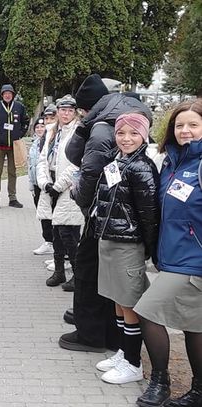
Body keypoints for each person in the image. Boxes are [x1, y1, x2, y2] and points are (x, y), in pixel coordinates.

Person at [60, 73, 152, 352]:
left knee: (88, 270)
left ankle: (91, 334)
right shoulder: (123, 114)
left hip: (105, 213)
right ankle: (106, 331)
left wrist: (82, 200)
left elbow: (89, 172)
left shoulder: (101, 127)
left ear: (88, 106)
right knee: (102, 274)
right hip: (115, 212)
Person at [134, 99, 202, 407]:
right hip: (171, 258)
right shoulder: (172, 163)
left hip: (193, 261)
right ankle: (198, 390)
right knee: (193, 324)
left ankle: (160, 382)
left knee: (147, 311)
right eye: (179, 125)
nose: (185, 131)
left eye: (193, 125)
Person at [92, 113, 159, 385]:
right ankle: (123, 352)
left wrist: (151, 251)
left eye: (134, 133)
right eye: (121, 133)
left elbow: (150, 213)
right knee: (118, 300)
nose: (126, 138)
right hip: (110, 239)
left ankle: (133, 363)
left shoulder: (141, 166)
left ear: (144, 135)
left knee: (130, 303)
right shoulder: (118, 160)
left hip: (128, 244)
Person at [36, 95, 83, 289]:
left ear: (75, 112)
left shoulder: (78, 132)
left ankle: (77, 274)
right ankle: (58, 271)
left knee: (68, 233)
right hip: (50, 183)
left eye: (70, 110)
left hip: (67, 187)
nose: (65, 114)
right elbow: (42, 160)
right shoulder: (51, 131)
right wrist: (45, 183)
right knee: (55, 232)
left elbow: (76, 164)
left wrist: (58, 186)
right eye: (62, 110)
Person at [0, 84, 29, 209]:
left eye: (10, 93)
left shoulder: (19, 107)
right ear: (2, 95)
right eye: (5, 93)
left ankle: (12, 198)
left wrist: (20, 134)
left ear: (13, 95)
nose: (8, 95)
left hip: (13, 146)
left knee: (12, 172)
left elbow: (26, 122)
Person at [28, 117, 54, 255]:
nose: (39, 129)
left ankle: (52, 241)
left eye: (42, 126)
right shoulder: (35, 143)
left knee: (48, 214)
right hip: (36, 183)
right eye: (37, 127)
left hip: (46, 183)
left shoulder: (49, 142)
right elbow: (30, 166)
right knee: (42, 214)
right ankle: (48, 241)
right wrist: (31, 185)